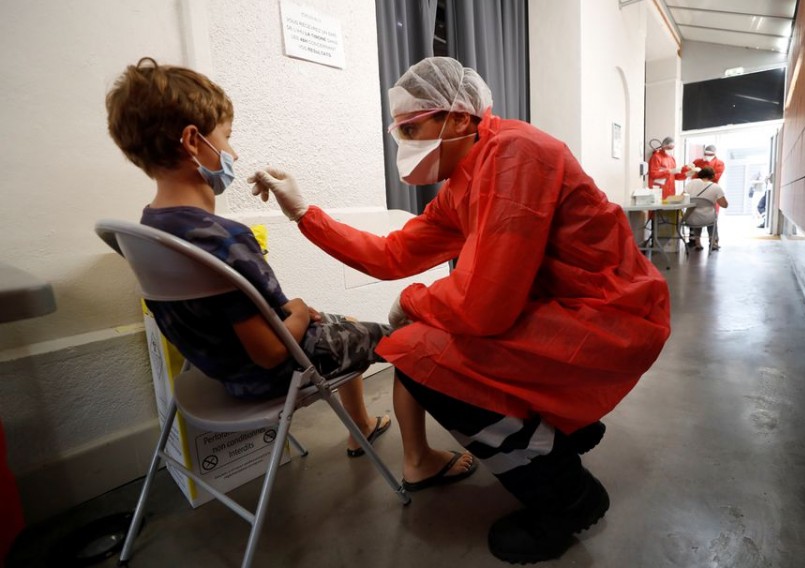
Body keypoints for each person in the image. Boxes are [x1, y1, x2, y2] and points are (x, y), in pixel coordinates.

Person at [248, 57, 671, 563]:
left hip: (607, 316)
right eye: (398, 130)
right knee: (422, 340)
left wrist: (413, 302)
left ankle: (568, 497)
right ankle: (559, 431)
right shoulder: (465, 182)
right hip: (566, 309)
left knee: (420, 357)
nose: (404, 142)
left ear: (459, 118)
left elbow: (486, 306)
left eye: (412, 127)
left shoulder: (517, 154)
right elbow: (392, 254)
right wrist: (304, 214)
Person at [105, 58, 476, 484]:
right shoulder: (224, 240)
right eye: (226, 137)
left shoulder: (150, 228)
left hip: (216, 371)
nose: (234, 153)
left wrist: (302, 221)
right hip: (269, 372)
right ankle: (419, 460)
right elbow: (270, 351)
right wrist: (297, 310)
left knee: (348, 323)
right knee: (407, 343)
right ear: (193, 141)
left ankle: (364, 428)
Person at [683, 168, 728, 251]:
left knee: (696, 214)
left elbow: (682, 197)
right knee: (712, 218)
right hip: (708, 219)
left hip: (691, 218)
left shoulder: (691, 183)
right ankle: (713, 242)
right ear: (712, 176)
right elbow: (724, 205)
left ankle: (697, 242)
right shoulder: (716, 187)